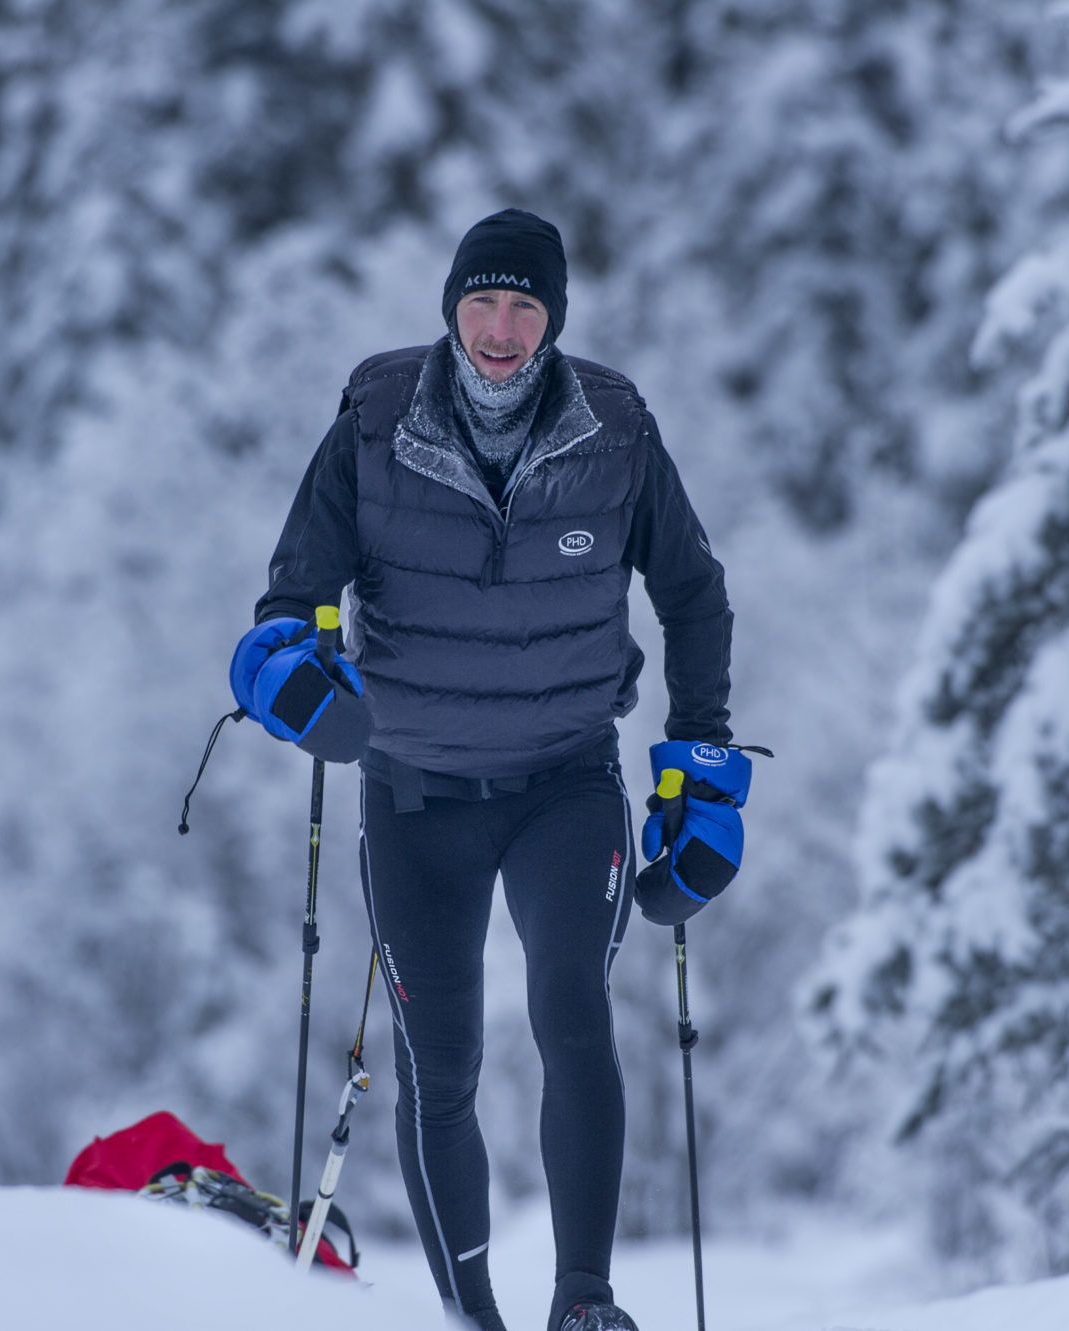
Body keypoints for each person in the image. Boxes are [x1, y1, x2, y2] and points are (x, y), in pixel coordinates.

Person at [230, 209, 742, 1331]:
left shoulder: (615, 429)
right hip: (414, 790)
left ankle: (584, 1303)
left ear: (552, 320)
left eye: (523, 307)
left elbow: (693, 593)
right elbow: (288, 601)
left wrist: (700, 761)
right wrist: (291, 678)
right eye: (482, 303)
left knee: (571, 1010)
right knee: (440, 1061)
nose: (501, 330)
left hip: (566, 780)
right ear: (451, 308)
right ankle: (473, 1316)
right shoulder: (374, 422)